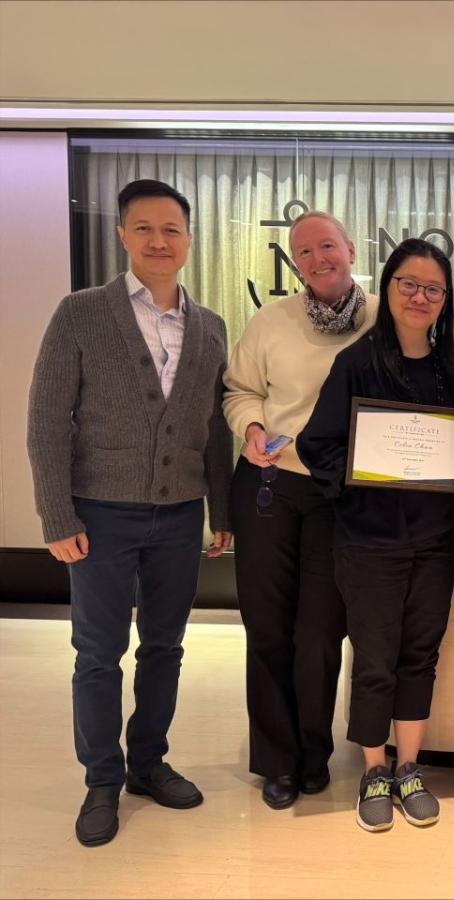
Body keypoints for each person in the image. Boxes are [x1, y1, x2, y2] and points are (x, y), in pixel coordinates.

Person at [26, 179, 233, 847]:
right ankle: (102, 779)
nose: (158, 240)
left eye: (171, 229)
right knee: (98, 653)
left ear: (189, 239)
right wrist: (58, 517)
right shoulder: (81, 313)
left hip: (179, 516)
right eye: (144, 228)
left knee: (166, 648)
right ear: (122, 235)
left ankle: (148, 762)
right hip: (99, 515)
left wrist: (220, 511)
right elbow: (47, 421)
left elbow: (216, 430)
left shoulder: (209, 327)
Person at [297, 238, 454, 834]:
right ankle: (374, 769)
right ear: (388, 289)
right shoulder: (357, 363)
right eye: (409, 285)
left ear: (445, 301)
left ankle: (410, 767)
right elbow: (315, 444)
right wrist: (367, 475)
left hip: (434, 541)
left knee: (421, 654)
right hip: (368, 540)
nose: (420, 297)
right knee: (374, 659)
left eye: (433, 289)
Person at [223, 211, 378, 810]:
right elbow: (239, 390)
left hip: (338, 494)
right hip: (269, 486)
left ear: (351, 248)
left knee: (320, 632)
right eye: (304, 251)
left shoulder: (376, 323)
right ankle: (276, 760)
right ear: (295, 262)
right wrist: (252, 426)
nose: (317, 258)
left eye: (327, 246)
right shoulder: (271, 320)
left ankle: (314, 750)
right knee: (267, 628)